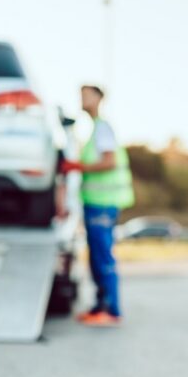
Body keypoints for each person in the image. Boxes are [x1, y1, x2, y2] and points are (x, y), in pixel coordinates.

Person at [62, 85, 134, 326]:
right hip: (96, 203)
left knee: (103, 256)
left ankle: (111, 310)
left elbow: (109, 163)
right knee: (96, 255)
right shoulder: (95, 130)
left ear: (99, 98)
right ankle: (99, 306)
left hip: (103, 204)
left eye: (86, 95)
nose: (82, 99)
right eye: (80, 95)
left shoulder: (103, 128)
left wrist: (76, 167)